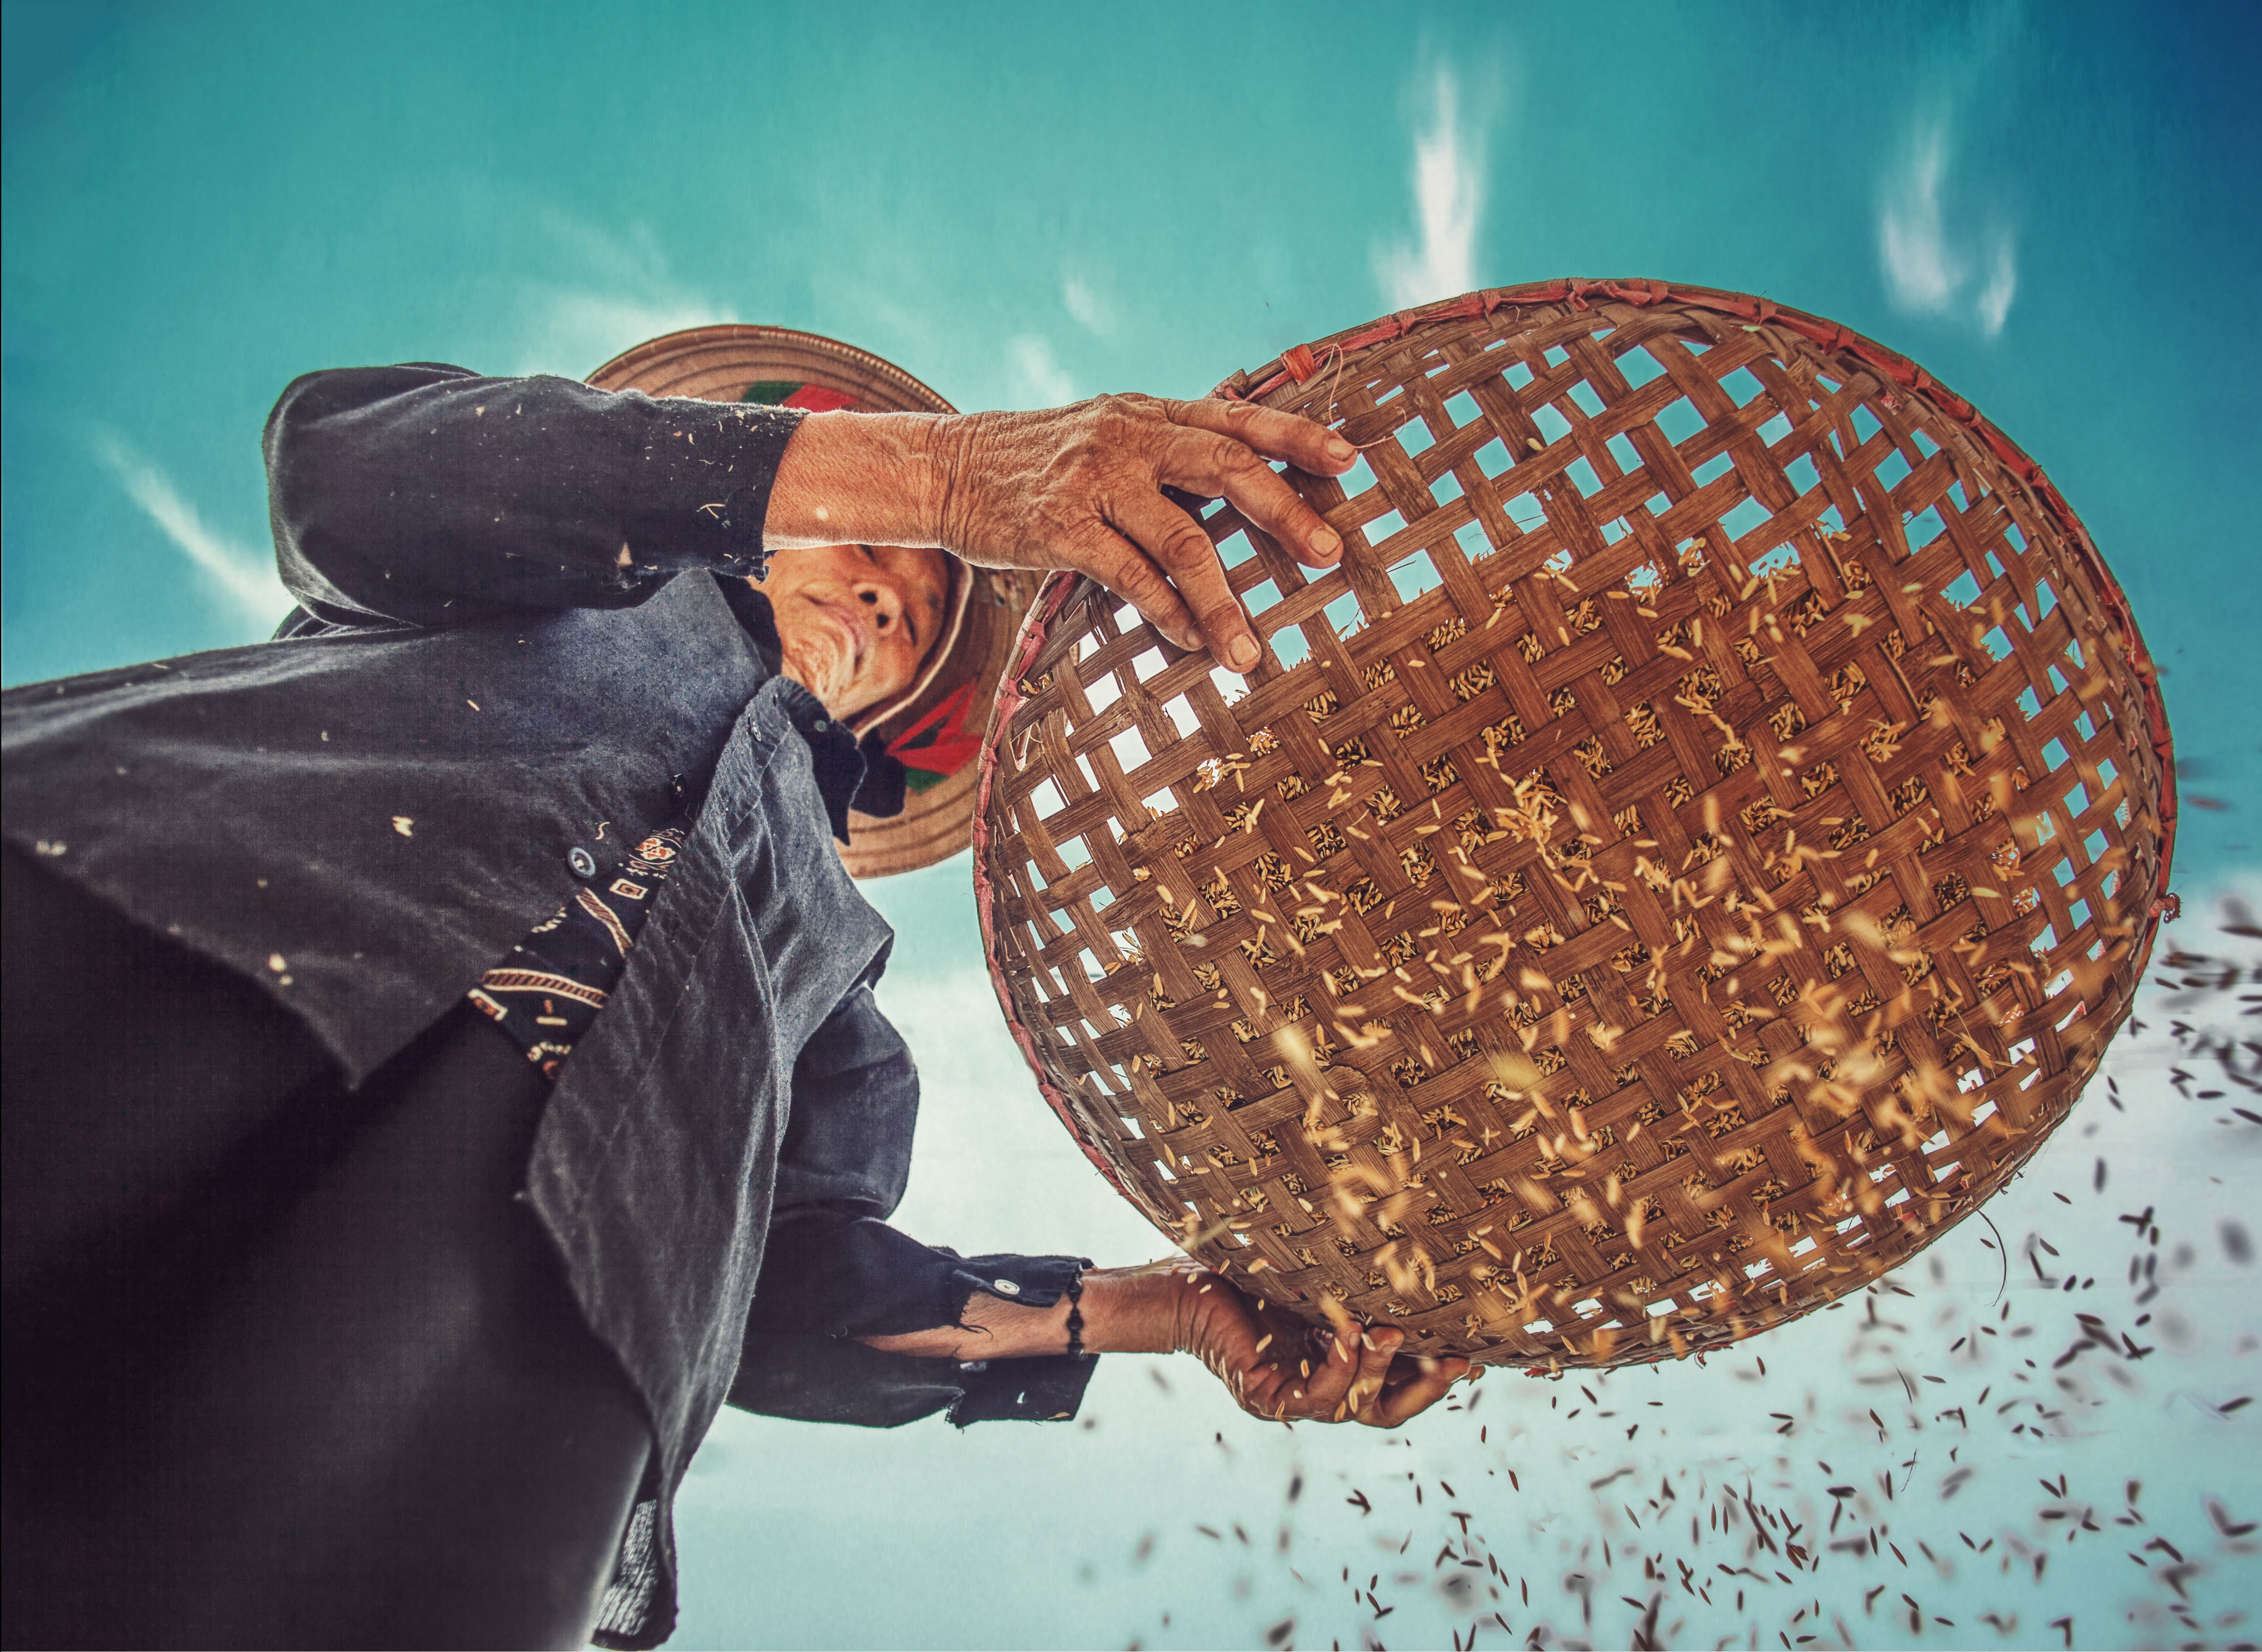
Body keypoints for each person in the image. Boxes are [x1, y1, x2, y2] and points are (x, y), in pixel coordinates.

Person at [0, 325, 1467, 1651]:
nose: (892, 593)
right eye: (873, 546)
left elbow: (786, 1304)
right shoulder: (525, 566)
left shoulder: (831, 975)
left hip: (463, 1362)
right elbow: (338, 467)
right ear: (757, 527)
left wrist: (1173, 1312)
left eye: (920, 619)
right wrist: (948, 479)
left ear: (909, 722)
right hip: (117, 946)